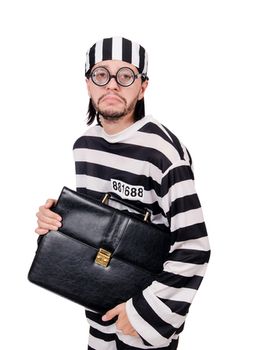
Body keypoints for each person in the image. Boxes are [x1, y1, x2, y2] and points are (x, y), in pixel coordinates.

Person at [33, 37, 211, 349]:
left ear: (142, 87)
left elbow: (194, 247)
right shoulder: (84, 147)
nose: (112, 85)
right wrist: (57, 224)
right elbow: (100, 232)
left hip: (146, 322)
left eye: (125, 76)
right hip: (97, 306)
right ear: (88, 84)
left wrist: (140, 312)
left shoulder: (164, 153)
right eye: (101, 75)